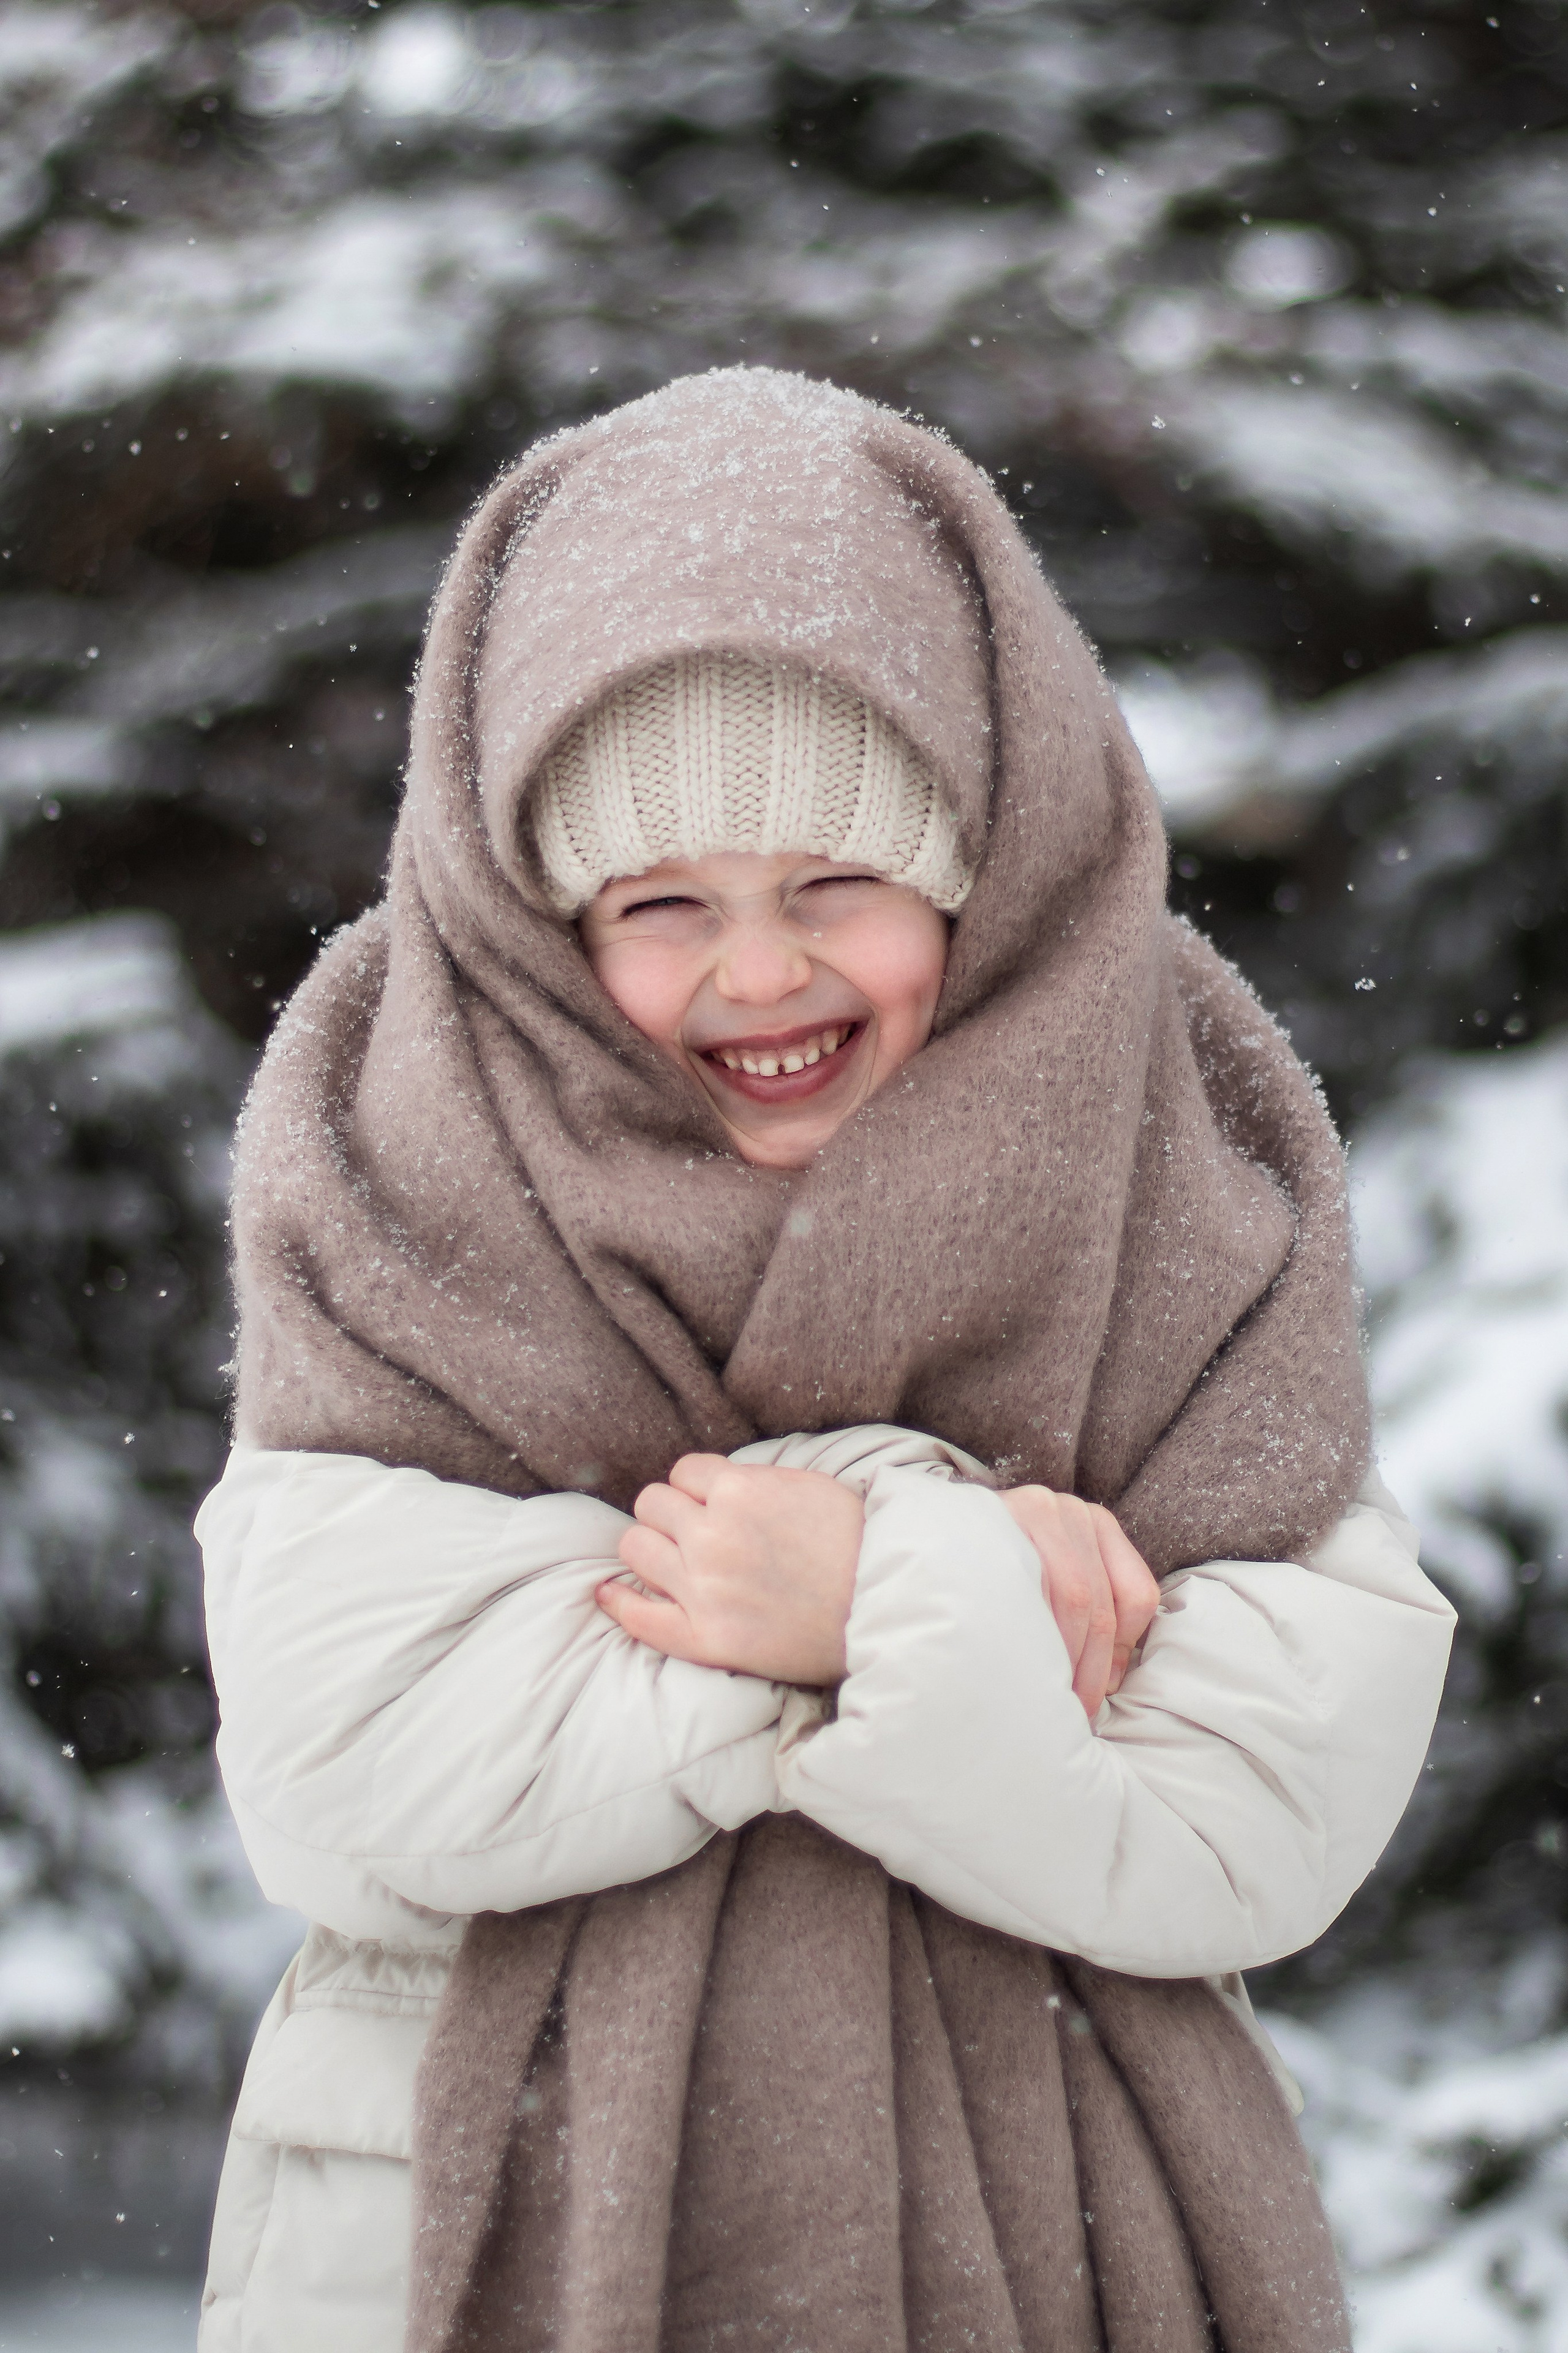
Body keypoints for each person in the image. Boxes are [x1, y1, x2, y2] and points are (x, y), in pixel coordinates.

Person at [195, 368, 1454, 2353]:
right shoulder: (400, 1145)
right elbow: (354, 1751)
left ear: (984, 857)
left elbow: (1261, 1793)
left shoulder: (1177, 1150)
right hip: (469, 2182)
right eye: (662, 904)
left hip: (1061, 2224)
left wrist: (848, 1597)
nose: (759, 973)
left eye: (838, 885)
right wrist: (937, 1589)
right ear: (537, 919)